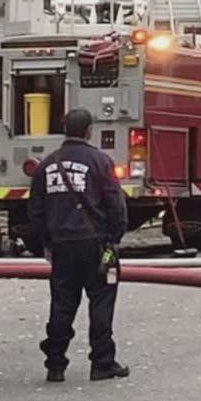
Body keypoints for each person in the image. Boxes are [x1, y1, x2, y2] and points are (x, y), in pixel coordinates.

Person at [29, 108, 130, 383]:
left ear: (65, 129)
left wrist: (46, 243)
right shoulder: (100, 161)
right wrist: (115, 239)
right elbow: (115, 203)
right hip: (96, 244)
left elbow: (35, 209)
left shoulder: (47, 164)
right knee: (101, 299)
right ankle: (102, 363)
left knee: (62, 303)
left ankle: (55, 364)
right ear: (89, 130)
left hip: (61, 245)